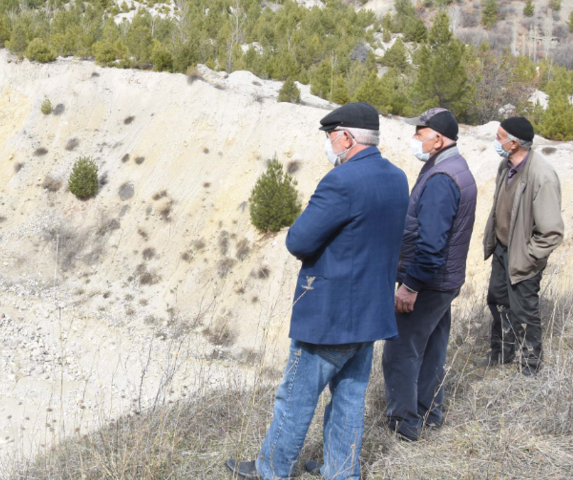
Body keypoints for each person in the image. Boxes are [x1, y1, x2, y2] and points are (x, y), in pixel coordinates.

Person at [225, 103, 409, 480]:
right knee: (349, 399)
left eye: (330, 136)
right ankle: (341, 471)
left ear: (345, 136)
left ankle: (271, 469)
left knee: (295, 397)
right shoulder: (396, 177)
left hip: (331, 315)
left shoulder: (341, 181)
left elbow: (299, 240)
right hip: (371, 313)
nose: (329, 143)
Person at [381, 108, 476, 441]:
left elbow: (431, 243)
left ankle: (404, 425)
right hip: (443, 280)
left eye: (419, 133)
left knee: (401, 349)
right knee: (433, 346)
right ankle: (429, 413)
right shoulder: (454, 168)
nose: (414, 139)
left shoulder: (440, 179)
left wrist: (410, 285)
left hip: (429, 281)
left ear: (437, 138)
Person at [479, 117, 564, 375]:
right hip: (502, 250)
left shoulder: (542, 175)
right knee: (498, 300)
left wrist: (529, 257)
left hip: (523, 255)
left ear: (514, 143)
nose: (496, 141)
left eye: (499, 136)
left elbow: (552, 232)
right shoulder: (505, 165)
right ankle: (502, 353)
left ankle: (529, 366)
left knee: (525, 310)